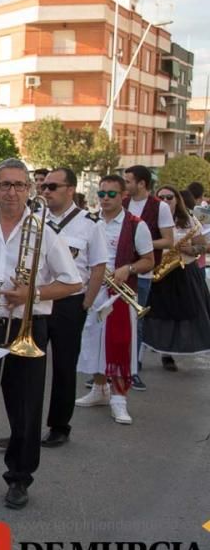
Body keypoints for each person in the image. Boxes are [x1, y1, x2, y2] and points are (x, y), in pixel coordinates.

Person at [0, 158, 80, 510]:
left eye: (19, 185)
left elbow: (73, 282)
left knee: (24, 411)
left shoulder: (44, 231)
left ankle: (19, 478)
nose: (12, 192)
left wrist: (33, 294)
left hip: (26, 330)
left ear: (29, 189)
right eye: (5, 184)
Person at [75, 175, 155, 425]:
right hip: (93, 290)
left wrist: (128, 269)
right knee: (95, 342)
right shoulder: (90, 222)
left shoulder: (135, 224)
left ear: (123, 196)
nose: (106, 199)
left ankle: (119, 398)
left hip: (119, 292)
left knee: (119, 343)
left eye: (111, 194)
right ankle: (100, 390)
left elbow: (149, 260)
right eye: (102, 194)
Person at [37, 168, 107, 448]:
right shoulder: (35, 218)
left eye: (52, 187)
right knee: (29, 367)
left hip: (69, 303)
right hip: (39, 299)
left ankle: (59, 425)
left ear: (70, 189)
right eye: (43, 186)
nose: (46, 191)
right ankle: (25, 427)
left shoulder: (90, 224)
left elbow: (98, 266)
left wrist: (86, 303)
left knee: (64, 367)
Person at [142, 184, 210, 371]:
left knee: (181, 313)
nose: (165, 201)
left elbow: (203, 245)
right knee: (155, 314)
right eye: (161, 198)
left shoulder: (188, 219)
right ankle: (144, 353)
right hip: (157, 272)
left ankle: (168, 354)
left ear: (177, 200)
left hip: (182, 271)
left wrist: (193, 249)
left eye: (169, 197)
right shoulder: (150, 219)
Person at [123, 165, 175, 391]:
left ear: (141, 183)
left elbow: (169, 241)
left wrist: (142, 242)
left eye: (128, 181)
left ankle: (133, 369)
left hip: (143, 271)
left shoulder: (159, 206)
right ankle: (108, 370)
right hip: (119, 270)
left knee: (136, 321)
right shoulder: (122, 203)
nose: (125, 185)